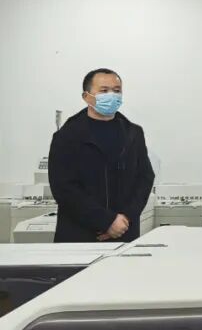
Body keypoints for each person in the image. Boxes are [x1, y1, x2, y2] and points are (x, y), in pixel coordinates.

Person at [49, 69, 155, 243]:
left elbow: (144, 178)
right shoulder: (67, 136)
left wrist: (126, 218)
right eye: (104, 91)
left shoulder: (133, 133)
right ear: (87, 96)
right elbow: (63, 187)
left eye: (117, 90)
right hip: (79, 234)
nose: (112, 95)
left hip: (123, 232)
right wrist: (106, 221)